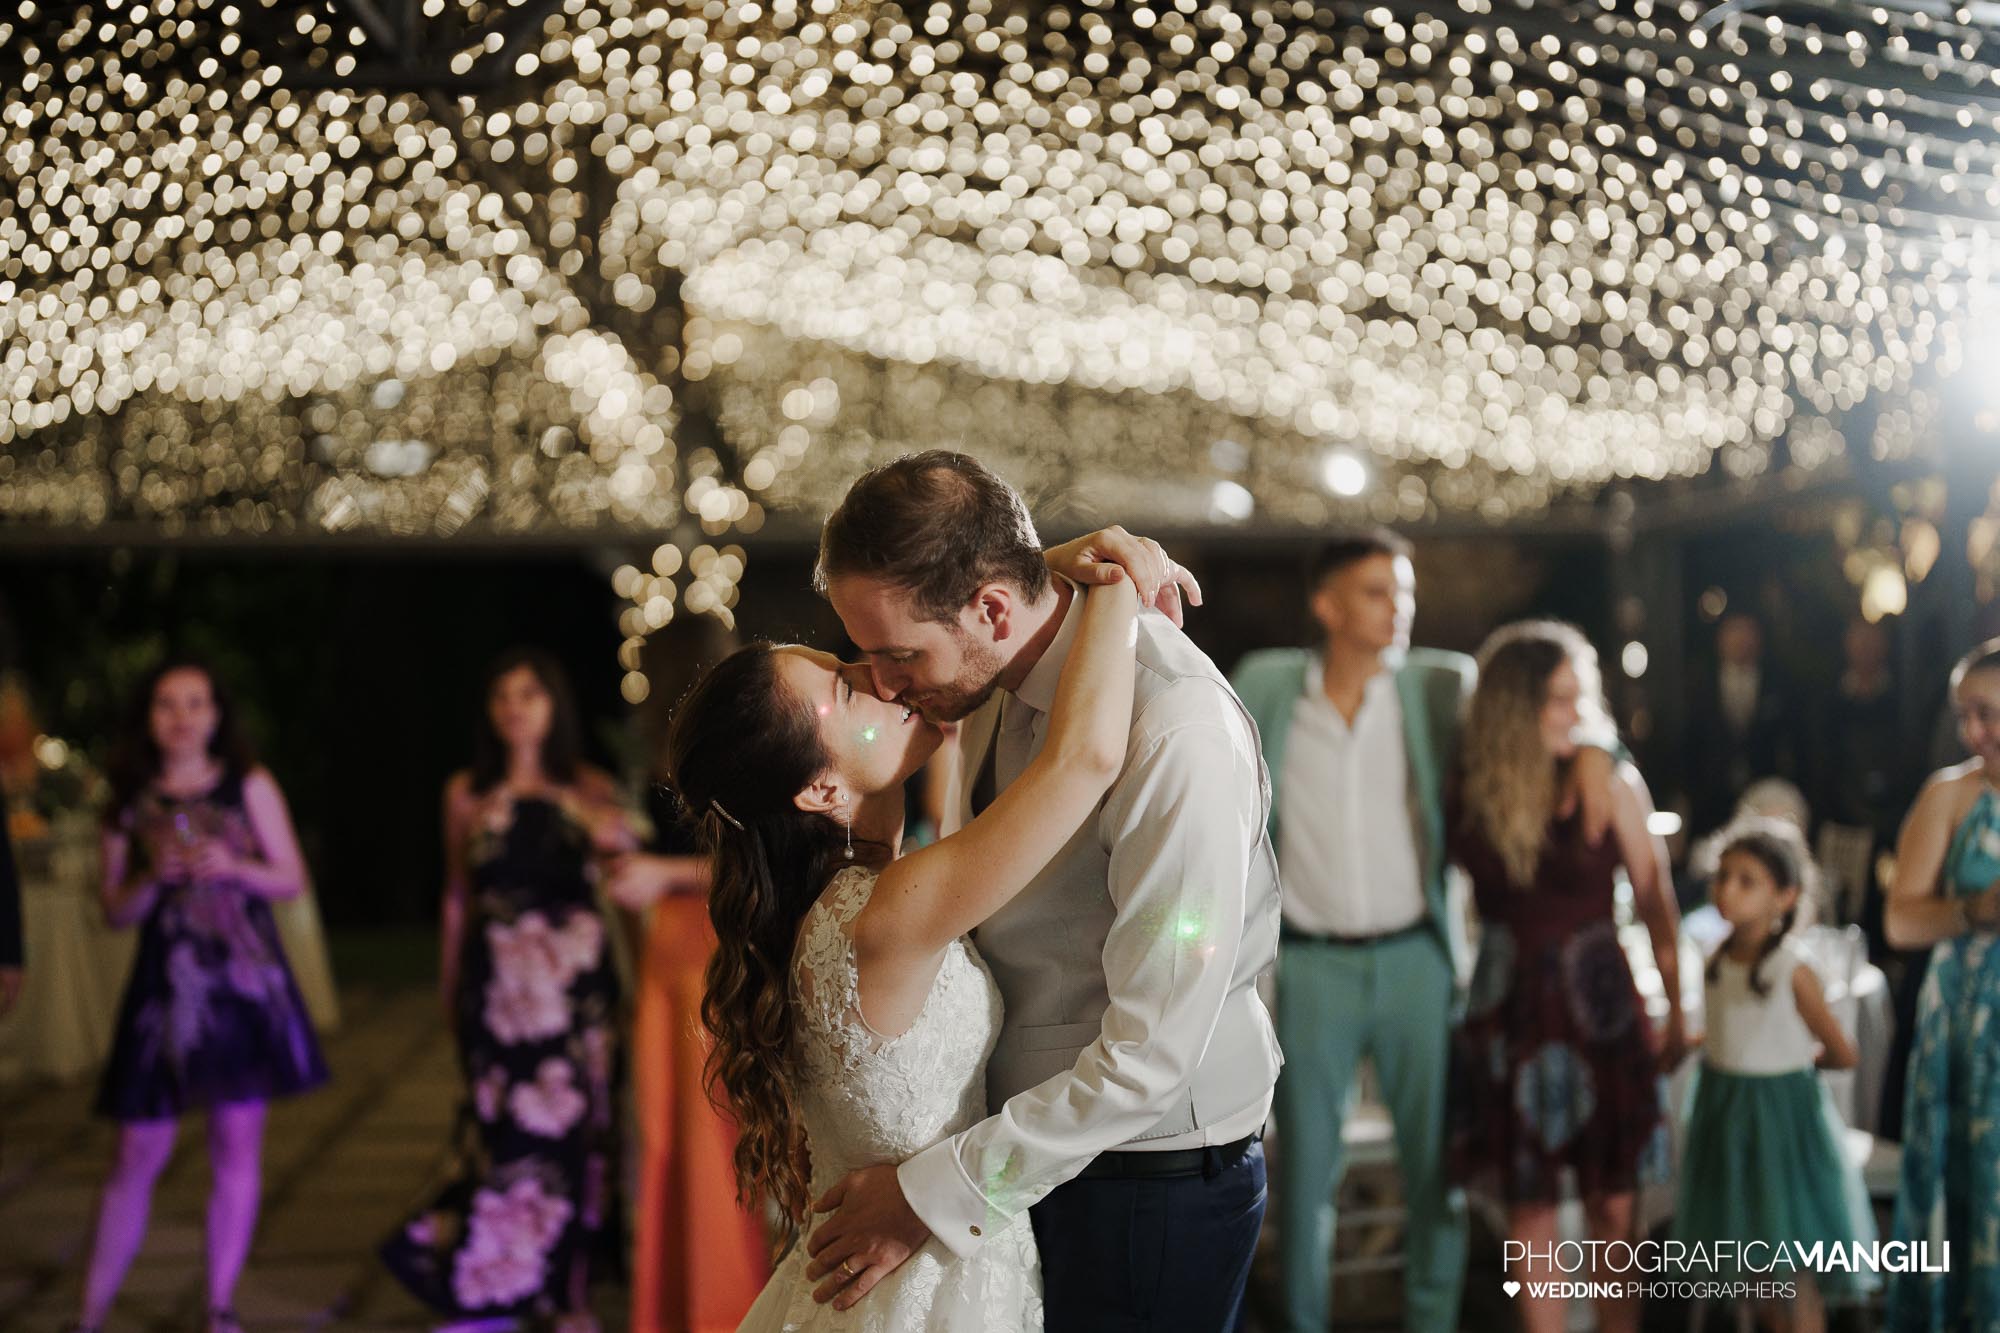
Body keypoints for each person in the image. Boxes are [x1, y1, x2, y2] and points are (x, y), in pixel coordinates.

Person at [803, 452, 1278, 1333]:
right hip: (1035, 1156)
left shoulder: (1176, 735)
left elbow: (1151, 1057)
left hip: (1148, 1173)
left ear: (989, 607)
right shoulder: (988, 675)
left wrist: (931, 1195)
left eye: (899, 653)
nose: (886, 683)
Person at [665, 531, 1156, 1330]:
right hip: (929, 1288)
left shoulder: (832, 902)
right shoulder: (883, 916)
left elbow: (927, 726)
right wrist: (1117, 579)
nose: (885, 678)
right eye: (851, 690)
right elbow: (1085, 758)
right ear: (822, 787)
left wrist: (1010, 580)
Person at [382, 648, 635, 1331]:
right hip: (497, 991)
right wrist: (448, 985)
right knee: (499, 1132)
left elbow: (627, 854)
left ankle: (571, 1292)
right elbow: (457, 897)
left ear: (554, 706)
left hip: (575, 994)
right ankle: (502, 1279)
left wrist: (587, 817)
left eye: (529, 693)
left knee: (582, 1143)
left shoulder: (588, 787)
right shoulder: (466, 792)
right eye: (502, 695)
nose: (515, 706)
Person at [73, 659, 327, 1333]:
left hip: (242, 989)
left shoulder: (250, 785)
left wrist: (237, 867)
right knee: (134, 1148)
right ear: (148, 716)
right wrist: (153, 879)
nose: (181, 716)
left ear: (216, 714)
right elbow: (114, 911)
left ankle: (220, 1306)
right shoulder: (127, 797)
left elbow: (291, 878)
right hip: (166, 994)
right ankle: (90, 1312)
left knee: (236, 1144)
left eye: (195, 702)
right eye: (166, 703)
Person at [1449, 620, 1685, 1333]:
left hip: (1600, 1001)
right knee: (1532, 1201)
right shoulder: (1472, 785)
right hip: (1511, 1001)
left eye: (1581, 698)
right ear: (1513, 706)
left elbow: (1658, 906)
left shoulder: (1609, 776)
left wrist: (1676, 1010)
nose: (1575, 714)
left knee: (1616, 1200)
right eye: (1557, 699)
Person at [606, 618, 770, 1333]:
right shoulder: (666, 747)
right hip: (669, 951)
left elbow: (759, 859)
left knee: (708, 1129)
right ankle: (679, 1299)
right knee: (669, 1130)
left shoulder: (734, 744)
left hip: (706, 942)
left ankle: (718, 1302)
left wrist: (660, 871)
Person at [1674, 816, 1876, 1333]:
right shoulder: (1715, 959)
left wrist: (1787, 1062)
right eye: (1722, 877)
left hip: (1778, 1126)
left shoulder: (1793, 970)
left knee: (1793, 1264)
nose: (1727, 891)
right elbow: (1725, 1030)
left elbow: (1841, 1052)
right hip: (1726, 1120)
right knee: (1756, 1267)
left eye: (1747, 881)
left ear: (1784, 897)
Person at [1885, 639, 2000, 1331]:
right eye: (1965, 715)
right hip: (1968, 1022)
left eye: (1988, 712)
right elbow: (1899, 919)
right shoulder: (1950, 794)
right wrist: (1973, 911)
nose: (1972, 731)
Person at [1687, 611, 1799, 838]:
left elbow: (1796, 745)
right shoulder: (1699, 683)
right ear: (1720, 638)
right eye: (1734, 630)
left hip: (1765, 802)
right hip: (1710, 804)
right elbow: (1689, 745)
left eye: (1747, 630)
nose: (1741, 639)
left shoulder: (1780, 684)